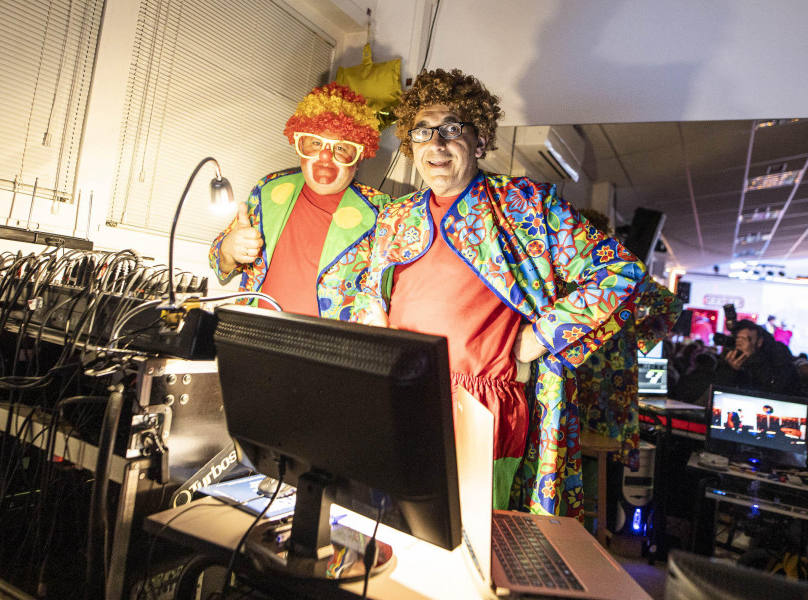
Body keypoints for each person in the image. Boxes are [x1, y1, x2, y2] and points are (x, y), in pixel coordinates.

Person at [353, 68, 648, 516]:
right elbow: (368, 289)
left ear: (480, 138)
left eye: (452, 129)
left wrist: (541, 336)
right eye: (422, 131)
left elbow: (622, 273)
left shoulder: (525, 205)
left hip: (481, 408)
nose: (436, 143)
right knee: (391, 533)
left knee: (466, 549)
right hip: (400, 399)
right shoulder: (397, 216)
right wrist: (373, 321)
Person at [209, 83, 389, 320]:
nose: (325, 157)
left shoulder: (383, 211)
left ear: (358, 157)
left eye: (341, 147)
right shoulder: (267, 190)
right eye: (315, 143)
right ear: (299, 145)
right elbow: (219, 260)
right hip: (256, 337)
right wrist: (228, 250)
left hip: (331, 351)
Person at [574, 210, 682, 471]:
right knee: (604, 459)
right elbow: (671, 305)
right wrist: (636, 341)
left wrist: (635, 340)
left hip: (578, 371)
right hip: (613, 374)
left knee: (573, 453)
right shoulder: (626, 272)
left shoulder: (568, 271)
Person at [715, 320, 800, 394]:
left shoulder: (777, 352)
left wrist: (754, 358)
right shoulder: (732, 354)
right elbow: (719, 386)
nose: (743, 344)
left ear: (759, 341)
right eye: (739, 340)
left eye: (747, 339)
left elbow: (781, 385)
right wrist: (732, 370)